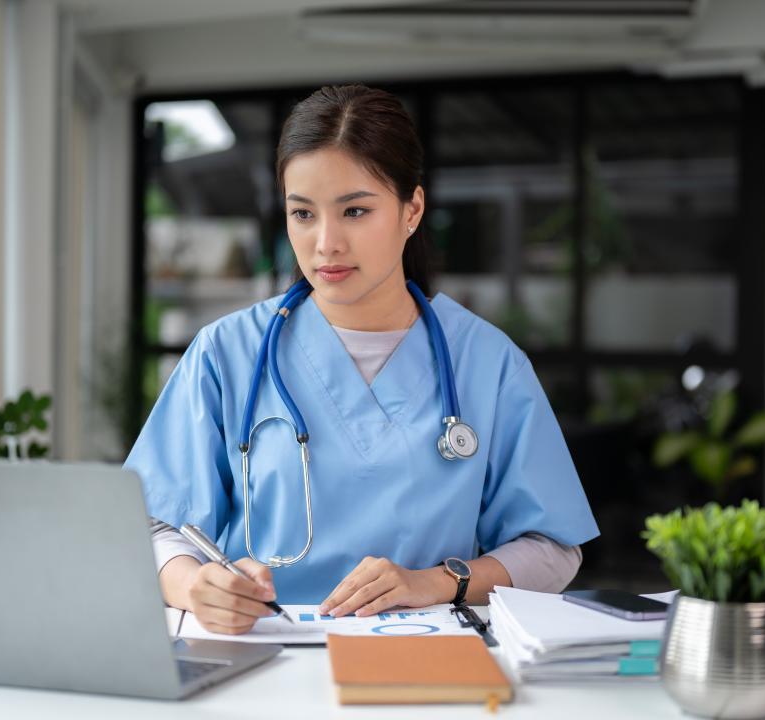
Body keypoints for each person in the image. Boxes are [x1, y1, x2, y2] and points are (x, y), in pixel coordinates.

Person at [126, 84, 599, 636]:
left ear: (412, 209)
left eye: (354, 210)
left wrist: (439, 581)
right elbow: (151, 526)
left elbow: (553, 550)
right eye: (302, 213)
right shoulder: (226, 353)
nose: (326, 243)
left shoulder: (488, 363)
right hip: (261, 653)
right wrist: (194, 586)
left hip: (426, 656)